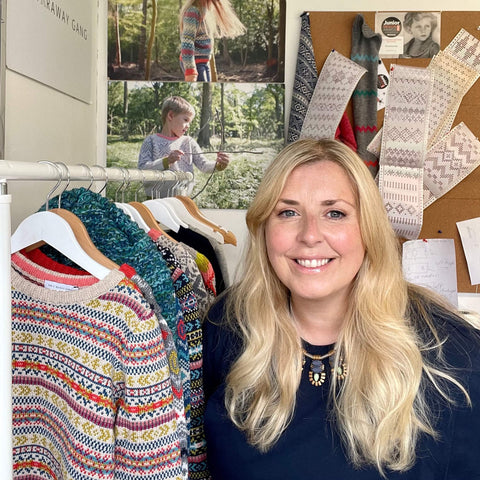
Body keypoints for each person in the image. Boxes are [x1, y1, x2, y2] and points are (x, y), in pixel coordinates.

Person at [203, 138, 480, 479]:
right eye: (288, 212)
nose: (310, 235)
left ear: (368, 228)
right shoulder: (226, 325)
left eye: (335, 213)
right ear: (264, 228)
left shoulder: (455, 353)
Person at [138, 95, 229, 195]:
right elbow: (142, 171)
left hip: (182, 199)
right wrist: (166, 161)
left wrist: (219, 165)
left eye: (190, 122)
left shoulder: (188, 142)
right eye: (186, 120)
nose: (188, 126)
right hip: (155, 201)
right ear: (171, 116)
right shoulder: (151, 141)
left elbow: (204, 165)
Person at [179, 0, 245, 82]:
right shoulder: (193, 12)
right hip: (194, 62)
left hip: (204, 62)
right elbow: (187, 41)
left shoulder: (206, 12)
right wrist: (190, 69)